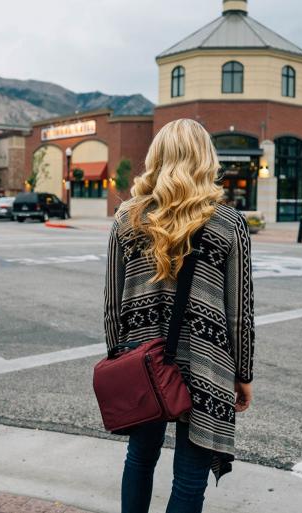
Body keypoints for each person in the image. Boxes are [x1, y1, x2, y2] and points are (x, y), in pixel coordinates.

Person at [104, 118, 255, 513]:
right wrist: (243, 373)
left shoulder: (127, 218)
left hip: (141, 359)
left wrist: (118, 357)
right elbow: (240, 313)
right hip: (207, 363)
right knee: (189, 478)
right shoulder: (229, 224)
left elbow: (111, 304)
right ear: (206, 159)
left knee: (139, 458)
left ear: (156, 158)